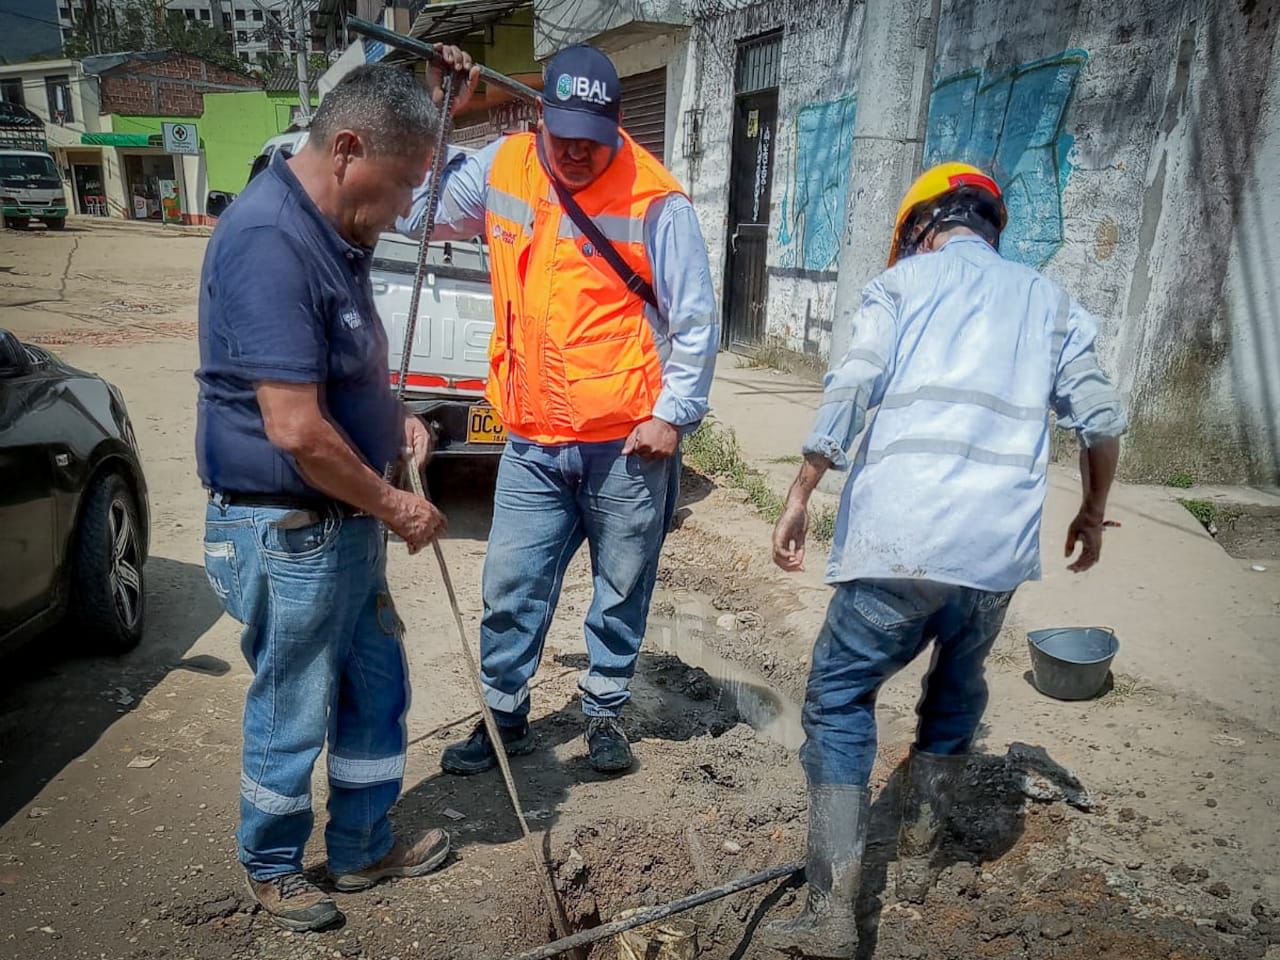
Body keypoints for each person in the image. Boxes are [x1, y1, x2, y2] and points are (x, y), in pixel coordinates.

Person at [761, 163, 1127, 956]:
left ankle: (831, 908)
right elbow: (1099, 421)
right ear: (990, 227)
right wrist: (1092, 512)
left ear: (920, 230)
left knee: (839, 696)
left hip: (902, 540)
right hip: (993, 555)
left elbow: (854, 386)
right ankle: (922, 857)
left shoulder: (900, 287)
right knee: (957, 687)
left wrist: (800, 491)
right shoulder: (1050, 300)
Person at [196, 58, 480, 932]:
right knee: (295, 703)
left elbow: (343, 370)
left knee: (375, 684)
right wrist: (396, 505)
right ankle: (274, 864)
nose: (404, 209)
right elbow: (294, 428)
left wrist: (395, 421)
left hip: (339, 519)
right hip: (290, 528)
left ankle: (361, 846)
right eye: (402, 185)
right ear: (348, 149)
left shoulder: (333, 232)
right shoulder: (270, 240)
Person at [399, 45, 718, 776]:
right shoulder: (503, 166)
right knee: (509, 588)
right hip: (533, 442)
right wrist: (437, 112)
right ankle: (503, 718)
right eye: (563, 136)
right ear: (539, 117)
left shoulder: (656, 201)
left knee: (621, 589)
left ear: (617, 126)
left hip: (628, 446)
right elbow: (415, 212)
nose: (576, 153)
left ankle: (604, 711)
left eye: (592, 142)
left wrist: (672, 416)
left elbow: (696, 322)